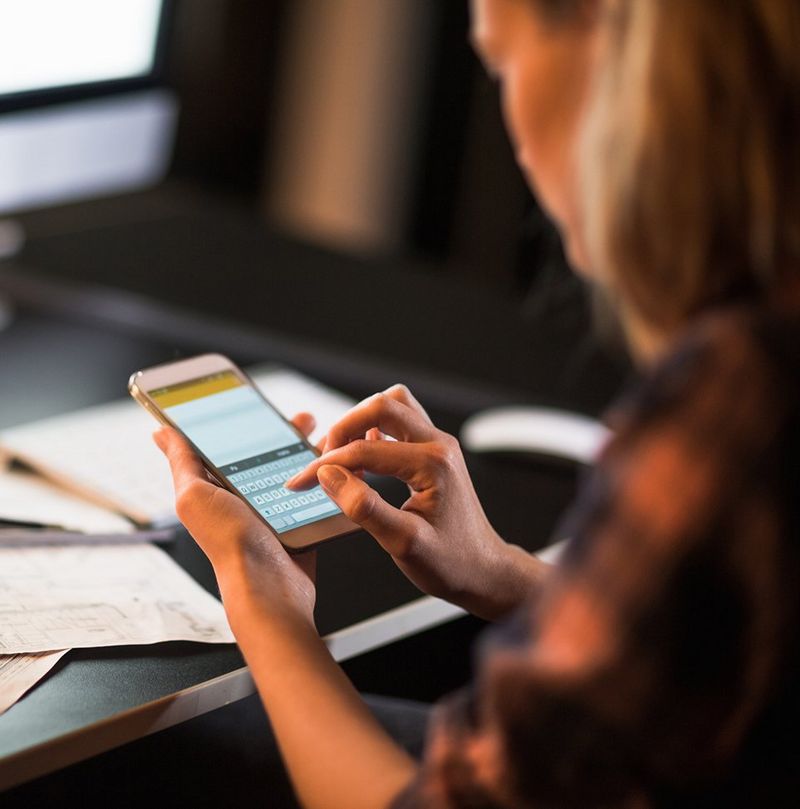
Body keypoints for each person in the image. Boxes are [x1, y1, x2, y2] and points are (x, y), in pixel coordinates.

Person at [155, 0, 800, 806]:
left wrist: (264, 600)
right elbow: (710, 657)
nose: (513, 127)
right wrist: (501, 572)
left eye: (502, 63)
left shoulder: (739, 399)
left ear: (622, 63)